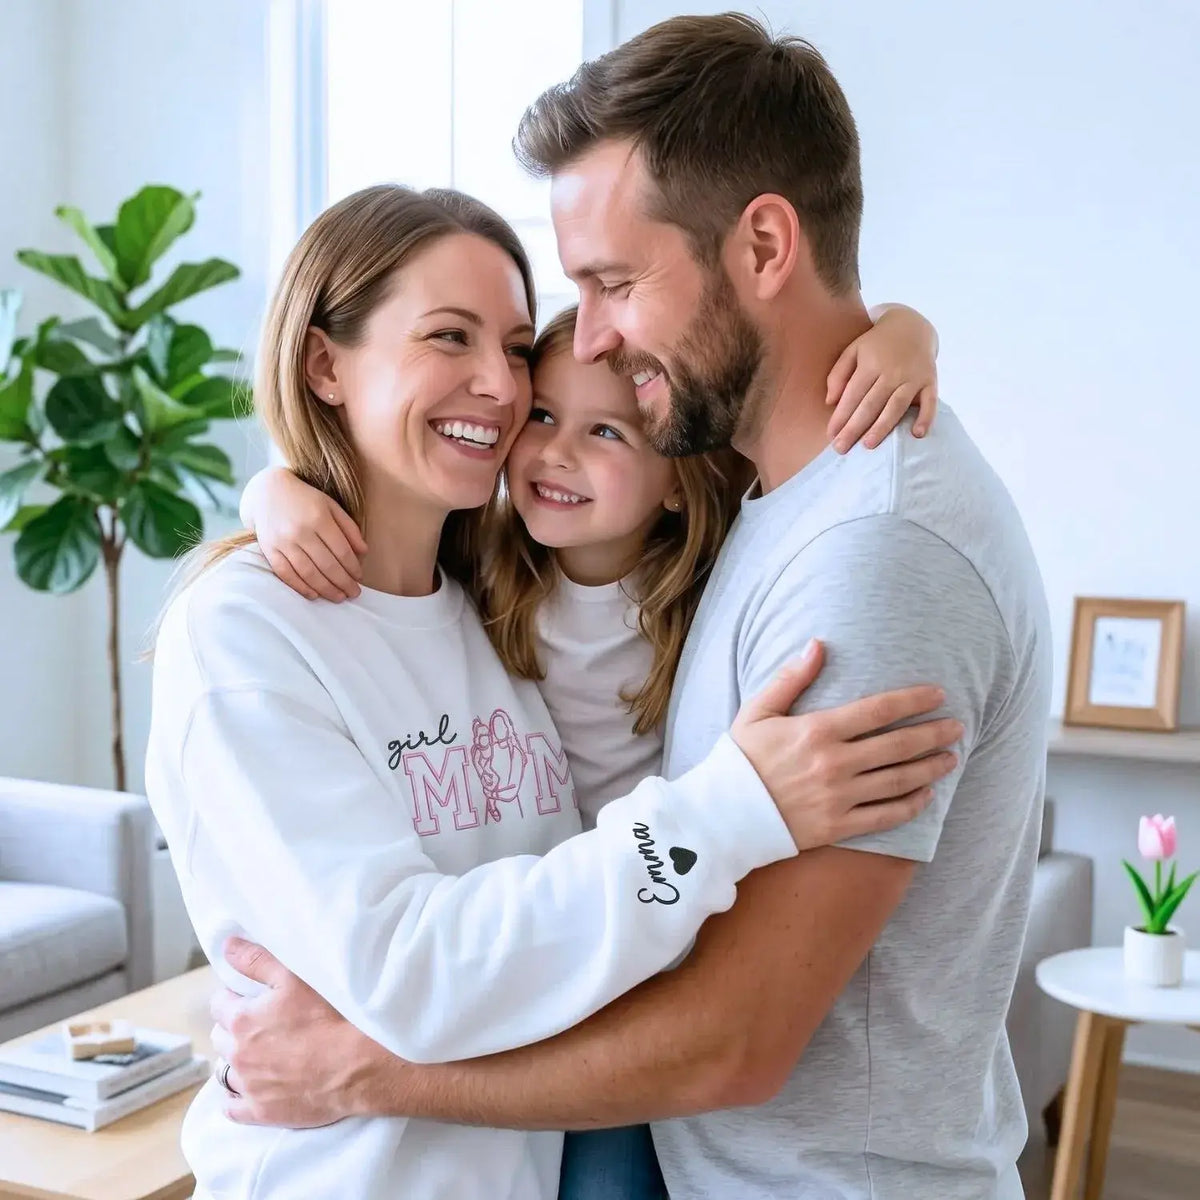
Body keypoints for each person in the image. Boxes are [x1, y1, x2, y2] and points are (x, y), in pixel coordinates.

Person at [212, 14, 1053, 1200]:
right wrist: (278, 485)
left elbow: (735, 1039)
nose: (587, 340)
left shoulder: (874, 553)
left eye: (613, 281)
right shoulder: (761, 503)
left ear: (765, 243)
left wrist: (367, 1074)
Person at [237, 298, 942, 1200]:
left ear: (678, 478)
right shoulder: (483, 560)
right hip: (536, 951)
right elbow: (368, 515)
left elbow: (824, 356)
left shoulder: (710, 591)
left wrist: (909, 332)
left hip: (648, 976)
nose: (555, 453)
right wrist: (272, 493)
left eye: (606, 431)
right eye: (540, 416)